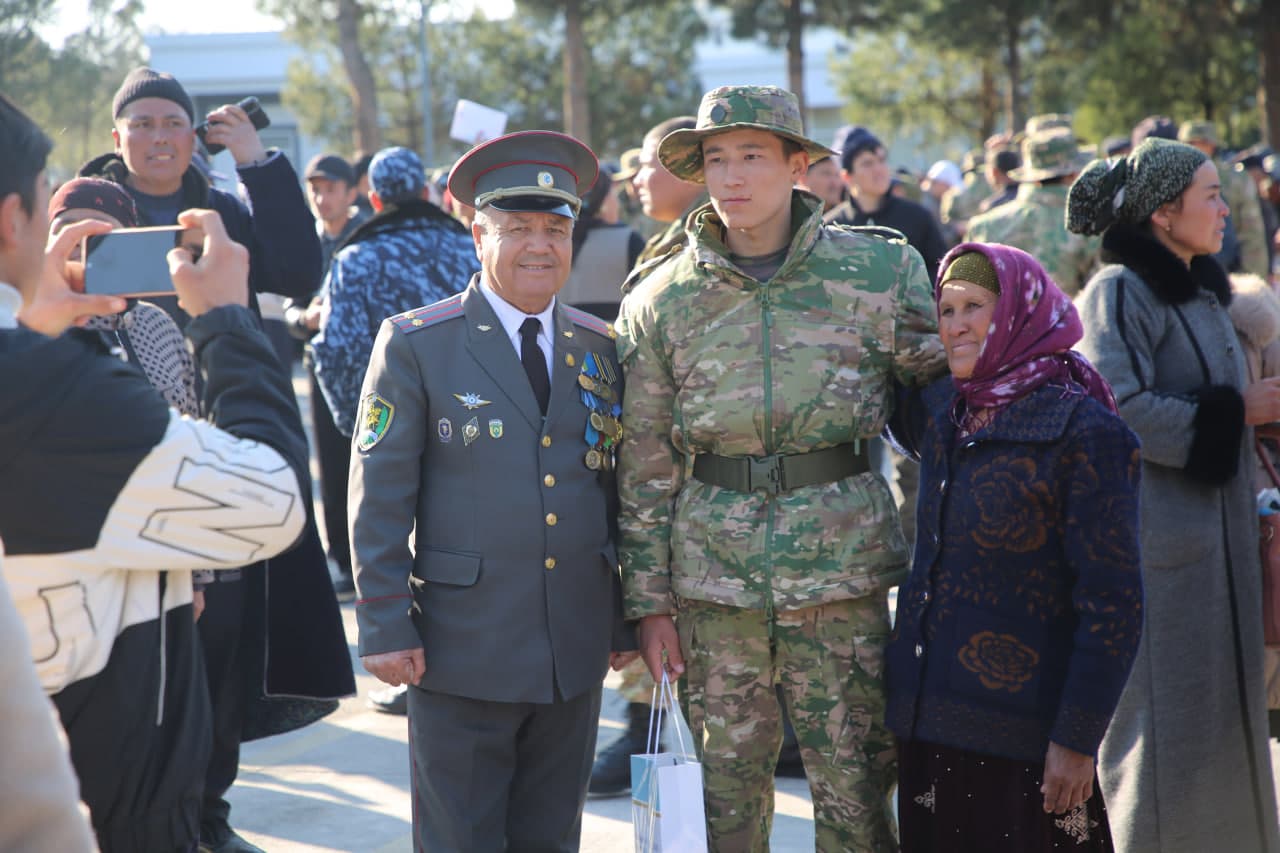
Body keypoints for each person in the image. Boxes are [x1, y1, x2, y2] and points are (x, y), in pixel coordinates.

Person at [616, 84, 948, 852]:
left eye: (753, 157)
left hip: (842, 579)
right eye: (717, 159)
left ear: (799, 164)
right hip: (713, 587)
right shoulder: (661, 300)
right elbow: (644, 463)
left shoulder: (878, 273)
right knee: (724, 804)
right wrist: (649, 603)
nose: (732, 177)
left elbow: (944, 407)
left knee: (860, 796)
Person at [0, 92, 310, 853]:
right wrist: (227, 321)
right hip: (101, 806)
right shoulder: (56, 390)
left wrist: (35, 327)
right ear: (14, 219)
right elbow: (267, 501)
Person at [348, 130, 637, 851]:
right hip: (460, 649)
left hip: (571, 648)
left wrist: (626, 615)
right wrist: (384, 621)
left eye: (556, 228)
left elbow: (613, 491)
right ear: (477, 233)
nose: (540, 245)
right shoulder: (419, 343)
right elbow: (379, 492)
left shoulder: (600, 346)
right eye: (518, 228)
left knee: (552, 838)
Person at [886, 243, 1143, 851]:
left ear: (1020, 315)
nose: (956, 326)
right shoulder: (951, 415)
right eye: (945, 311)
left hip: (1029, 745)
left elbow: (1113, 605)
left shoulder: (1086, 433)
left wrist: (1078, 741)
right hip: (929, 730)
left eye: (975, 306)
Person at [1069, 136, 1280, 853]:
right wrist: (1236, 411)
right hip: (1161, 558)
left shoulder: (1200, 290)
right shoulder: (1118, 292)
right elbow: (1117, 407)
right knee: (1161, 749)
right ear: (1164, 212)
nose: (1226, 209)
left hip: (1221, 555)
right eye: (1211, 194)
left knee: (1223, 736)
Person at [288, 153, 370, 600]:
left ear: (351, 192)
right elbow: (288, 309)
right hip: (322, 369)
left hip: (373, 369)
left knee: (382, 462)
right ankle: (341, 560)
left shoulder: (368, 237)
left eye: (330, 188)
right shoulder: (306, 243)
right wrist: (306, 318)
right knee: (334, 467)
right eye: (314, 188)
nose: (321, 198)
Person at [966, 130, 1100, 296]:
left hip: (1002, 321)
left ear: (1030, 176)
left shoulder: (982, 227)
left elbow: (969, 296)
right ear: (1073, 174)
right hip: (1068, 319)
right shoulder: (1092, 226)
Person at [825, 124, 948, 278]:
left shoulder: (917, 217)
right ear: (847, 177)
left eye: (881, 160)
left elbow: (941, 274)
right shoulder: (831, 228)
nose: (879, 169)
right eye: (867, 163)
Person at [1179, 120, 1270, 277]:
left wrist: (1251, 277)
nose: (1195, 147)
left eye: (1201, 142)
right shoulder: (1174, 179)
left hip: (1228, 271)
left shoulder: (1236, 180)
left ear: (1212, 145)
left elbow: (1251, 232)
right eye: (1190, 142)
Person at [559, 163, 645, 321]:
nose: (617, 203)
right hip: (611, 342)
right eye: (613, 194)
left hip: (559, 342)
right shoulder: (628, 240)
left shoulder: (554, 239)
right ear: (602, 203)